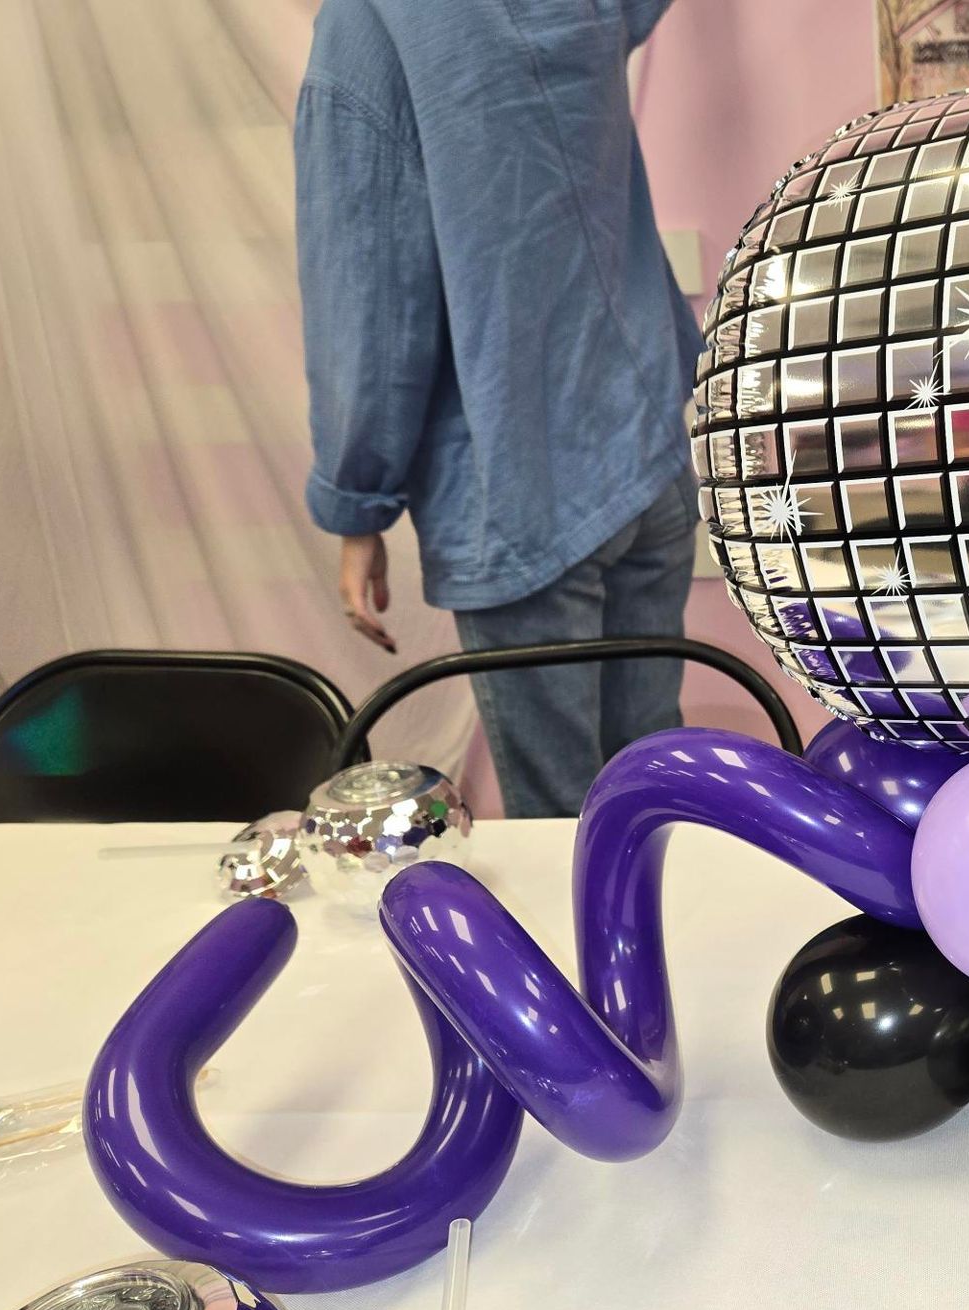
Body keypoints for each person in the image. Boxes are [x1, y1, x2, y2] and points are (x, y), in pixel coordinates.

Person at [296, 0, 702, 819]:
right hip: (645, 447)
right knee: (656, 795)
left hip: (517, 483)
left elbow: (369, 292)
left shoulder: (370, 24)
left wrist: (357, 502)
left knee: (563, 826)